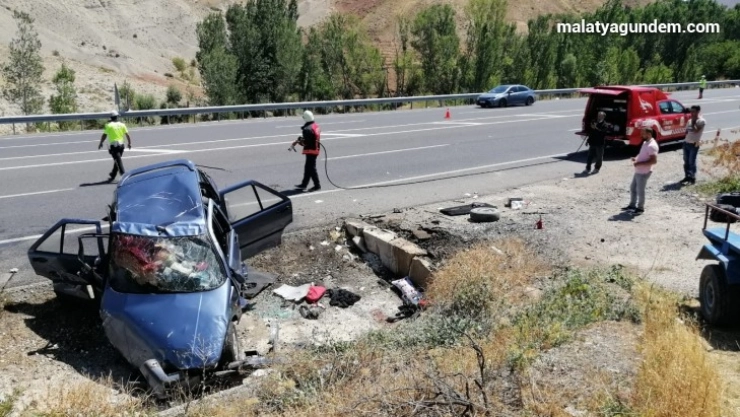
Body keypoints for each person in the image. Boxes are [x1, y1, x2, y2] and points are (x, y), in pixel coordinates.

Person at [623, 127, 659, 214]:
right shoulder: (645, 142)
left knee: (640, 190)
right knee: (633, 188)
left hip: (644, 172)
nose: (641, 135)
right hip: (639, 171)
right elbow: (642, 154)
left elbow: (653, 161)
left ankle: (640, 208)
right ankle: (632, 205)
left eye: (643, 133)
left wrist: (639, 163)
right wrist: (636, 158)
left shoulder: (652, 146)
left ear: (649, 134)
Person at [291, 110, 321, 191]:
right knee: (308, 167)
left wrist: (299, 141)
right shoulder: (315, 126)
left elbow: (306, 143)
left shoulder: (307, 129)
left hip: (311, 150)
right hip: (316, 148)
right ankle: (304, 184)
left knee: (311, 168)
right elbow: (311, 138)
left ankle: (317, 185)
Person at [98, 110, 132, 182]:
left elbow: (104, 135)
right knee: (117, 160)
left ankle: (124, 176)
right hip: (121, 146)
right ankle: (113, 174)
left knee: (118, 161)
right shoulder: (122, 125)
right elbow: (127, 135)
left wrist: (101, 143)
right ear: (117, 117)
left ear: (111, 117)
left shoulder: (108, 125)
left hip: (114, 146)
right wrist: (129, 143)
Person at [681, 105, 704, 185]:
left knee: (691, 162)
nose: (691, 113)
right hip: (686, 143)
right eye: (691, 111)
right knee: (686, 161)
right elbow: (686, 131)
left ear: (698, 111)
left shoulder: (701, 121)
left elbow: (696, 130)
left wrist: (694, 121)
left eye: (693, 111)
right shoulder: (689, 121)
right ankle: (687, 176)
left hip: (694, 144)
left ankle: (692, 177)